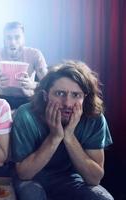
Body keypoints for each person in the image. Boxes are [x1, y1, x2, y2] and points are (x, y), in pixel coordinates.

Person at [11, 61, 113, 200]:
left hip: (70, 179)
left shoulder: (94, 118)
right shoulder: (26, 114)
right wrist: (54, 137)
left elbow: (94, 179)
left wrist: (69, 136)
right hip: (32, 179)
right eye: (60, 93)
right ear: (46, 95)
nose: (67, 103)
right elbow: (24, 174)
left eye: (76, 95)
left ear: (85, 98)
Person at [0, 21, 48, 109]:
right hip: (2, 99)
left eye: (17, 37)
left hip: (28, 100)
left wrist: (32, 85)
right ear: (4, 40)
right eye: (8, 38)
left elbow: (48, 83)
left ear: (23, 39)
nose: (12, 42)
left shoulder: (35, 54)